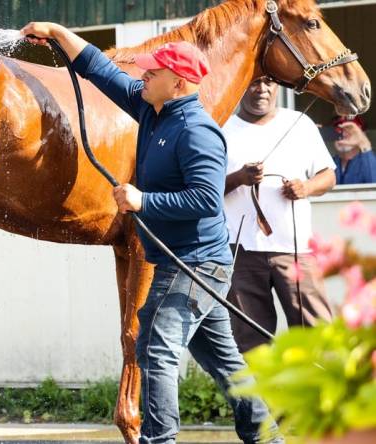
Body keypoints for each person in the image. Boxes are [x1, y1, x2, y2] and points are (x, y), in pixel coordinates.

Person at [21, 23, 280, 444]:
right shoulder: (152, 109)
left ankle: (159, 440)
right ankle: (268, 438)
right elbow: (99, 70)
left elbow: (205, 201)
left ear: (177, 82)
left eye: (151, 71)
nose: (142, 75)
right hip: (187, 262)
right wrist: (58, 33)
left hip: (194, 264)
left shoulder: (198, 132)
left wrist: (144, 202)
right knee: (225, 361)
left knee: (155, 350)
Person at [223, 76, 336, 354]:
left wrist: (305, 187)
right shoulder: (221, 128)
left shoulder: (299, 123)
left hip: (296, 250)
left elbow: (328, 176)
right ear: (240, 86)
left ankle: (321, 397)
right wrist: (239, 178)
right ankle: (264, 399)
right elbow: (206, 190)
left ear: (277, 88)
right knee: (251, 343)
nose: (262, 90)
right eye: (253, 83)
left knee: (317, 335)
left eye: (269, 83)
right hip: (241, 254)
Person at [331, 116, 375, 185]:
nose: (344, 134)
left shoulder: (370, 162)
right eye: (339, 130)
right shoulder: (328, 164)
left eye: (350, 130)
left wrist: (364, 144)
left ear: (363, 134)